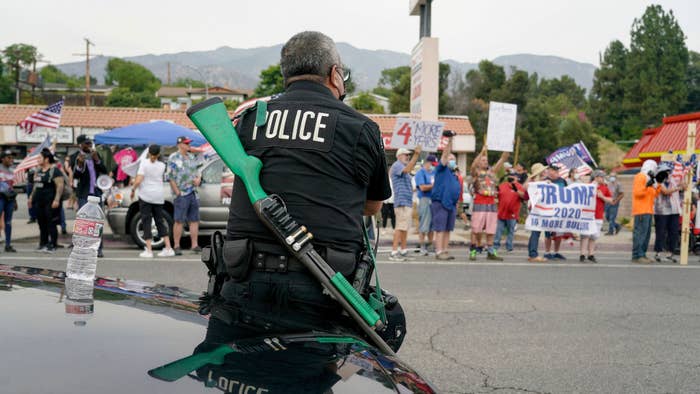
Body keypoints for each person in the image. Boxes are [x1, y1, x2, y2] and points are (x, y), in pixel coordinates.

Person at [219, 31, 391, 338]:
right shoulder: (360, 127)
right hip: (323, 286)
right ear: (335, 74)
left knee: (240, 373)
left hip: (243, 277)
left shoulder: (248, 121)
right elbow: (372, 205)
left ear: (287, 74)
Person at [131, 144, 175, 258]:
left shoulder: (144, 163)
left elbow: (139, 179)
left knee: (146, 221)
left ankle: (149, 250)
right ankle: (168, 248)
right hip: (158, 196)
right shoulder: (161, 165)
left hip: (145, 196)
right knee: (159, 221)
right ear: (159, 154)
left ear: (149, 153)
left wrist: (133, 189)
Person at [69, 134, 107, 257]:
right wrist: (79, 165)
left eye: (90, 143)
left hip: (96, 192)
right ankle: (82, 247)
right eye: (86, 143)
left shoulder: (95, 154)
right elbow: (75, 176)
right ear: (80, 144)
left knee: (97, 221)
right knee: (83, 221)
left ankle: (98, 248)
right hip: (84, 194)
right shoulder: (75, 157)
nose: (89, 146)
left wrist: (97, 160)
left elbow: (104, 170)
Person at [469, 145, 508, 261]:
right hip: (479, 202)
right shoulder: (475, 172)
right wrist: (482, 152)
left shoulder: (492, 172)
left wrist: (508, 146)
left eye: (486, 160)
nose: (485, 162)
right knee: (476, 229)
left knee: (491, 229)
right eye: (483, 160)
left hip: (491, 203)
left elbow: (502, 159)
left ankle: (491, 252)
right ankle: (473, 250)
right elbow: (473, 165)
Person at [166, 136, 202, 255]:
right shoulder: (173, 157)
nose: (188, 145)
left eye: (188, 143)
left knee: (194, 220)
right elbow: (170, 177)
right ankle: (176, 245)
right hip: (182, 193)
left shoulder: (192, 157)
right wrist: (177, 192)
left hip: (193, 192)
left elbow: (198, 172)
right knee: (179, 220)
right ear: (180, 144)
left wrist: (198, 179)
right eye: (186, 143)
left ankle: (194, 245)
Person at [431, 136, 462, 260]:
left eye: (454, 159)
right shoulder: (441, 169)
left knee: (448, 229)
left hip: (451, 204)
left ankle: (445, 250)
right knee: (440, 229)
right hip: (440, 202)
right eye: (450, 159)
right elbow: (444, 156)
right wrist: (449, 142)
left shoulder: (454, 173)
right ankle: (438, 251)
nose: (452, 161)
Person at [28, 149, 64, 253]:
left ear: (47, 159)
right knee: (41, 223)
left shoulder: (55, 171)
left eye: (40, 158)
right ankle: (43, 243)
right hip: (39, 201)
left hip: (50, 201)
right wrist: (31, 198)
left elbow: (60, 186)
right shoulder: (38, 171)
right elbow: (36, 186)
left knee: (51, 223)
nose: (38, 160)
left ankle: (53, 244)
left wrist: (56, 200)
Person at [389, 147, 421, 261]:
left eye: (409, 155)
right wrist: (416, 155)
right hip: (402, 201)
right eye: (405, 155)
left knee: (404, 227)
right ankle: (394, 251)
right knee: (400, 227)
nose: (407, 157)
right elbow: (408, 170)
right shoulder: (397, 165)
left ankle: (403, 249)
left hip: (406, 201)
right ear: (398, 156)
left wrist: (414, 189)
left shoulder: (401, 167)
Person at [579, 170, 613, 263]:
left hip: (598, 215)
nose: (603, 179)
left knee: (594, 236)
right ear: (596, 177)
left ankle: (591, 254)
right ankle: (582, 254)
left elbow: (611, 200)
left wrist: (602, 197)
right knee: (585, 235)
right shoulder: (588, 186)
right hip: (587, 214)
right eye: (601, 177)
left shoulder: (604, 188)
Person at [653, 164, 682, 263]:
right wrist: (678, 188)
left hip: (674, 210)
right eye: (665, 171)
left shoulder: (672, 180)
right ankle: (658, 252)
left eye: (669, 171)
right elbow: (665, 192)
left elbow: (681, 185)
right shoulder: (657, 181)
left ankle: (670, 252)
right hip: (661, 211)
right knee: (661, 232)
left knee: (673, 232)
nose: (668, 173)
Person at [632, 160, 660, 263]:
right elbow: (637, 193)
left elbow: (654, 195)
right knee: (640, 233)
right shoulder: (640, 176)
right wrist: (647, 185)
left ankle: (642, 254)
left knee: (646, 234)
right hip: (641, 210)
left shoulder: (650, 178)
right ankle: (637, 255)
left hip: (648, 210)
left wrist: (658, 185)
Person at [494, 170, 526, 253]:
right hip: (501, 212)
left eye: (513, 176)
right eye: (510, 176)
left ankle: (509, 247)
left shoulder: (519, 186)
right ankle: (495, 246)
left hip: (512, 214)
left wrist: (516, 189)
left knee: (510, 231)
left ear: (516, 178)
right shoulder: (502, 186)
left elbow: (524, 196)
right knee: (498, 230)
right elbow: (496, 195)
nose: (511, 178)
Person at [543, 164, 568, 260]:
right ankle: (547, 252)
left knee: (559, 233)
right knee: (548, 233)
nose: (552, 172)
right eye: (551, 170)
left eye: (554, 170)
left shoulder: (563, 181)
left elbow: (567, 193)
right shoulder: (545, 181)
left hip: (560, 210)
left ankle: (556, 252)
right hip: (549, 210)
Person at [414, 155, 437, 255]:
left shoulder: (433, 172)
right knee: (424, 223)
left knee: (432, 225)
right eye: (432, 164)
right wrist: (433, 186)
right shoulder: (420, 173)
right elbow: (422, 187)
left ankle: (430, 245)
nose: (433, 166)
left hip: (433, 199)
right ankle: (422, 245)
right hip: (424, 199)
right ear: (427, 162)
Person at [526, 163, 548, 262]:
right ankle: (533, 254)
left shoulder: (540, 182)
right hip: (536, 208)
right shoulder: (535, 183)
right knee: (536, 231)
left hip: (538, 208)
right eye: (543, 170)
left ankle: (532, 253)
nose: (545, 171)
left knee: (535, 231)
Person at [0, 150, 17, 252]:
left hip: (9, 199)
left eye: (12, 157)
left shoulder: (12, 171)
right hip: (0, 198)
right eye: (9, 157)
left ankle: (8, 245)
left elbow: (12, 186)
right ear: (2, 159)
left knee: (8, 222)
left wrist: (15, 201)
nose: (11, 159)